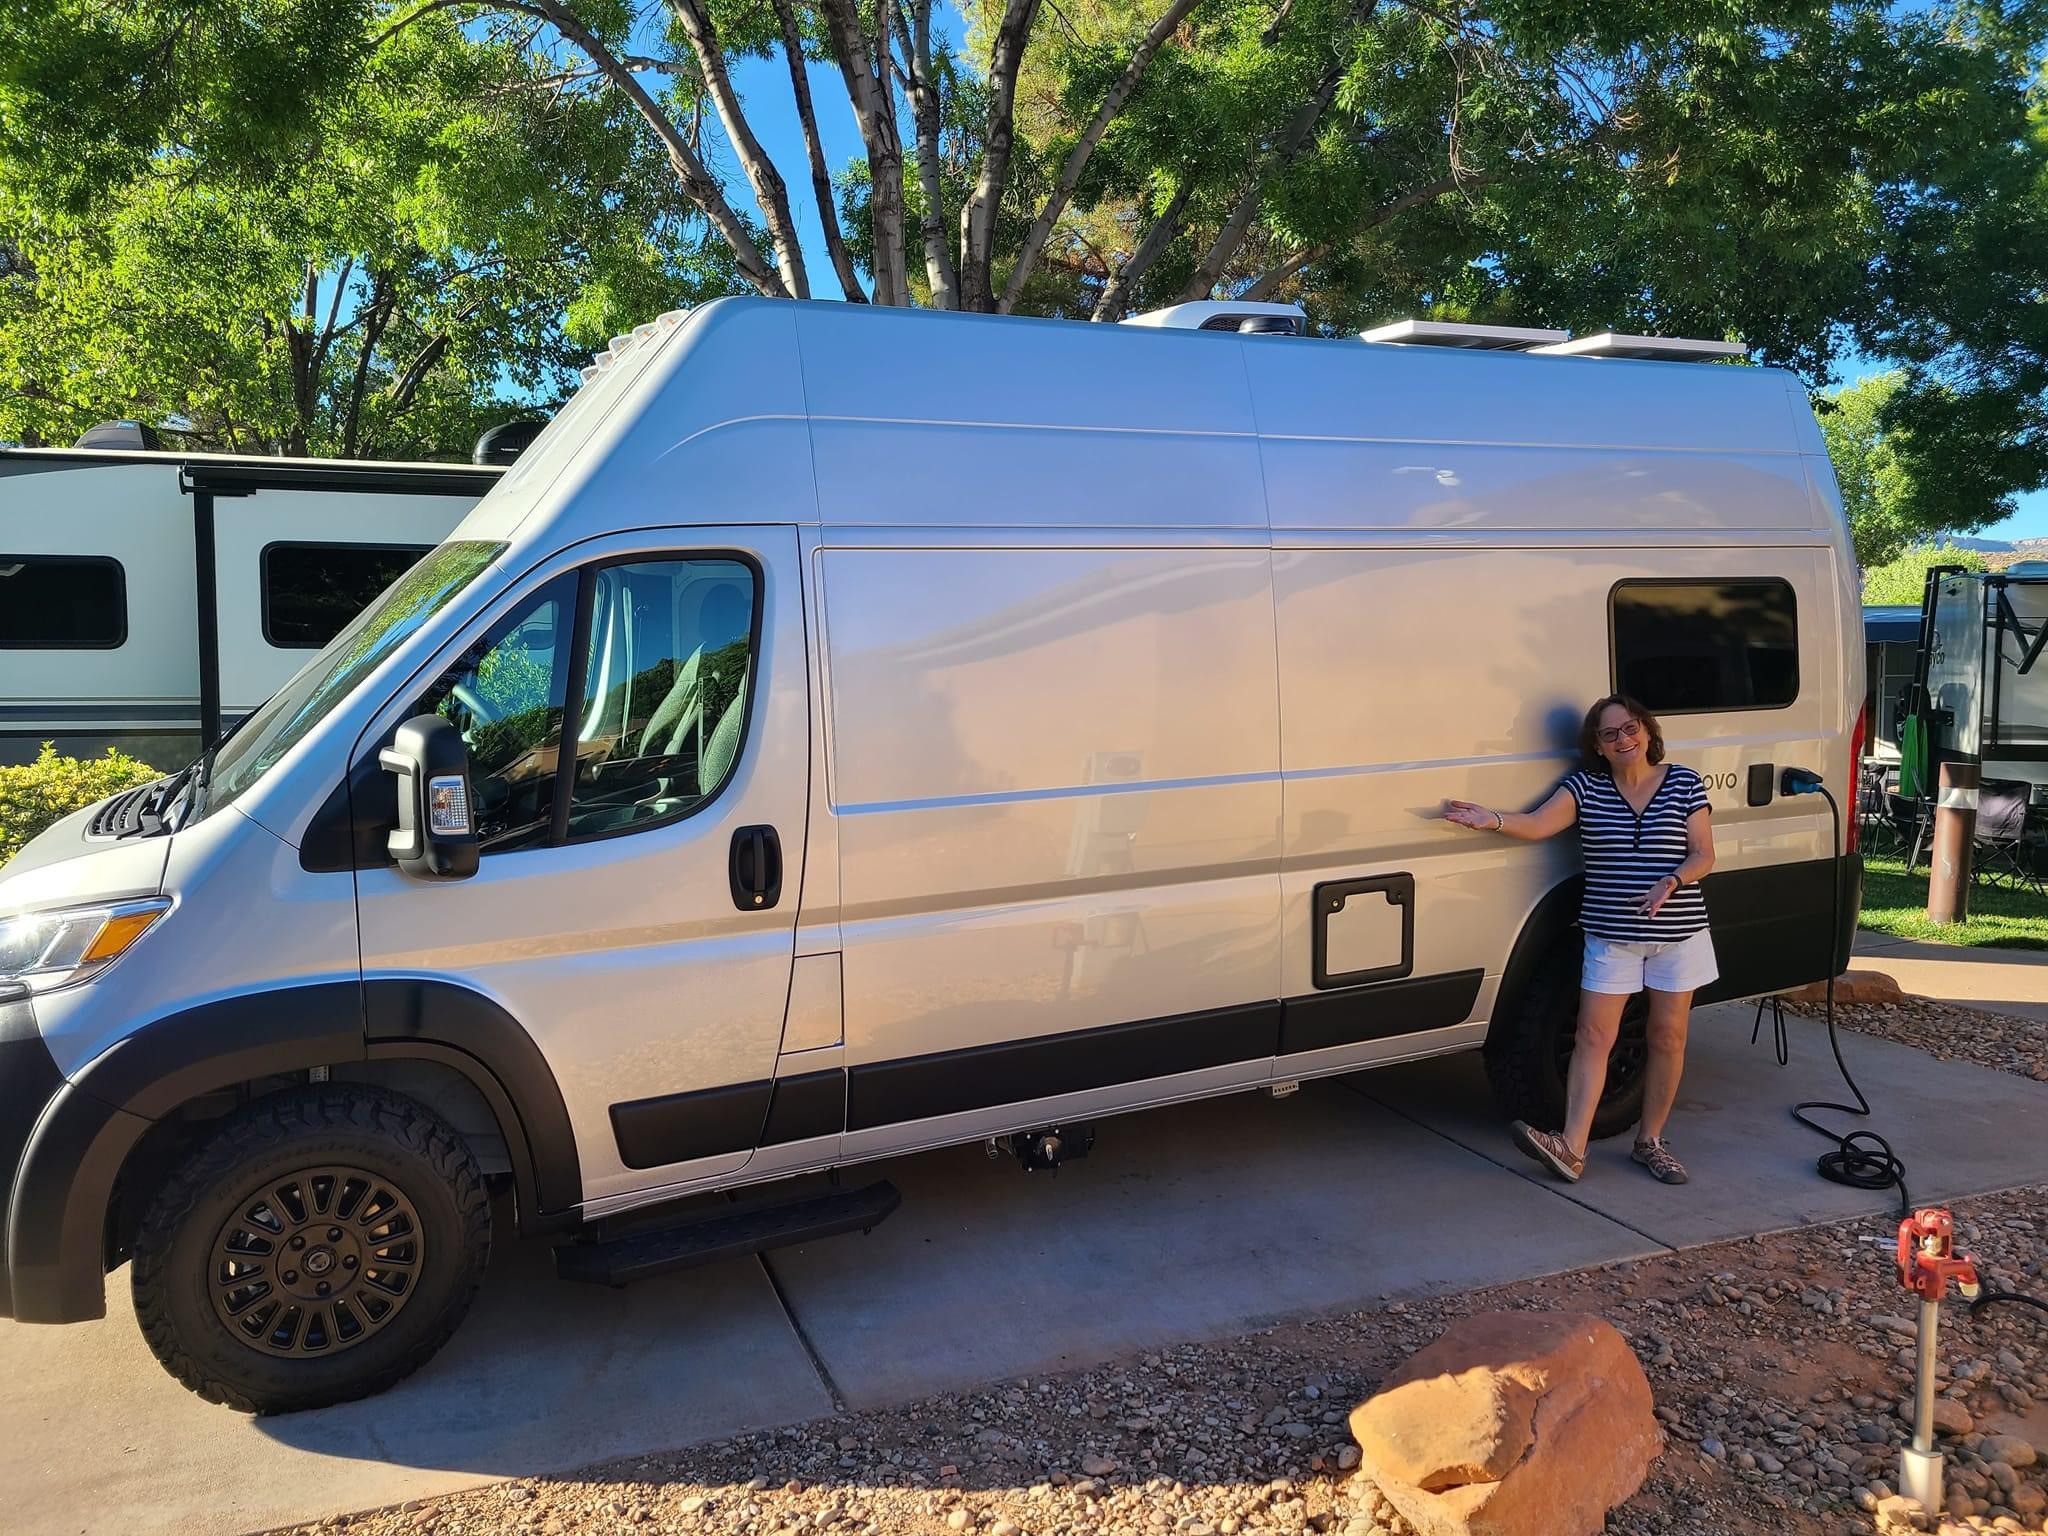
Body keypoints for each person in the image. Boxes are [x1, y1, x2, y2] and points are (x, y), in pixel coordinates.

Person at [1442, 694, 1716, 1185]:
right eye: (1609, 734)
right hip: (1610, 934)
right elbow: (1540, 823)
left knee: (1668, 1036)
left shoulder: (1683, 783)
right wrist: (1493, 819)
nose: (1623, 740)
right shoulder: (1586, 788)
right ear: (1597, 745)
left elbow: (1704, 854)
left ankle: (1650, 1142)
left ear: (1648, 731)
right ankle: (1571, 1147)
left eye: (1630, 728)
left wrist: (1671, 882)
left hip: (1678, 933)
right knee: (1593, 1036)